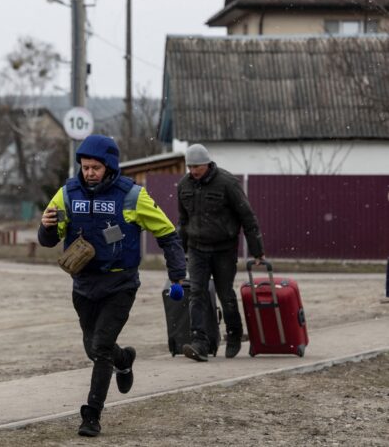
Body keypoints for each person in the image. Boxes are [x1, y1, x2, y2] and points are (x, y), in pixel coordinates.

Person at [38, 134, 186, 437]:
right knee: (93, 349)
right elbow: (49, 239)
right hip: (83, 284)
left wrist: (177, 275)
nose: (89, 172)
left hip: (120, 284)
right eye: (85, 166)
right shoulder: (67, 193)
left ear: (110, 166)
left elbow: (168, 234)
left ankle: (91, 415)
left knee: (101, 346)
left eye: (95, 167)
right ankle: (124, 359)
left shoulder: (132, 195)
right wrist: (46, 226)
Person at [177, 143, 264, 362]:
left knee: (226, 295)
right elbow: (183, 221)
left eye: (197, 166)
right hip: (197, 249)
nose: (193, 171)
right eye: (190, 166)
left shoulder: (227, 183)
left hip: (224, 249)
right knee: (197, 293)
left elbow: (248, 216)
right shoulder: (184, 186)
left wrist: (257, 251)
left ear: (207, 163)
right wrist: (179, 253)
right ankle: (200, 342)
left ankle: (234, 333)